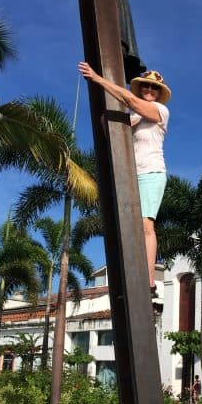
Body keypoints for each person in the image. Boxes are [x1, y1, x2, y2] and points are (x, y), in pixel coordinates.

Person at [78, 61, 171, 298]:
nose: (149, 91)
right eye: (146, 87)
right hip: (130, 176)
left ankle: (149, 280)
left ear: (159, 93)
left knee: (146, 225)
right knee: (128, 226)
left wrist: (98, 78)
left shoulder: (161, 111)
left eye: (154, 88)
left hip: (151, 173)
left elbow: (129, 100)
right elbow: (107, 128)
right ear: (141, 88)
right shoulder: (134, 116)